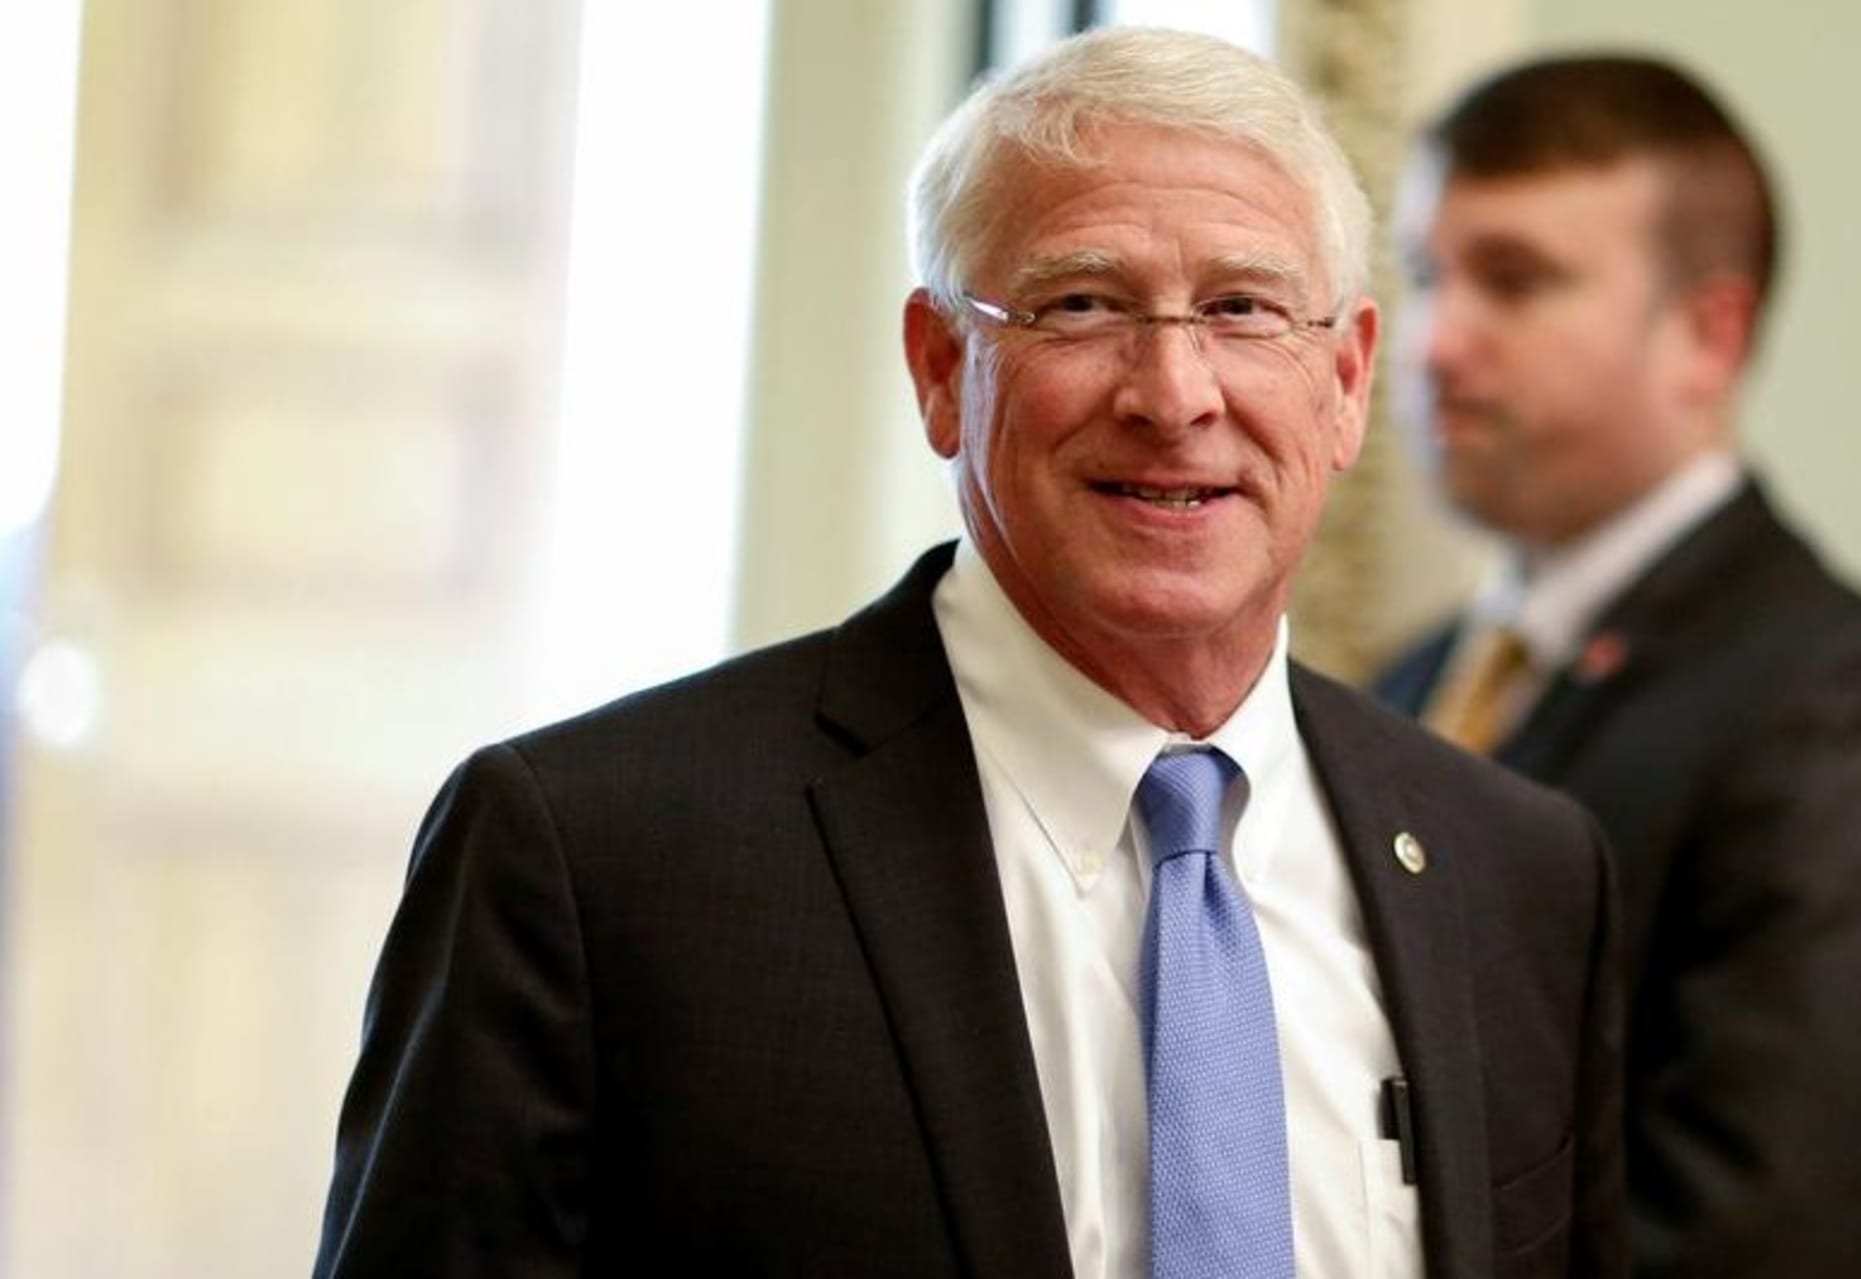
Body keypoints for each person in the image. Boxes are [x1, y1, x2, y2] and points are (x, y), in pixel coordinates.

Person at [315, 28, 1624, 1278]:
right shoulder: (596, 859)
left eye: (1240, 307)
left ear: (1345, 381)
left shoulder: (1520, 875)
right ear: (941, 367)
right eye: (1082, 303)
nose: (1173, 395)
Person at [1377, 53, 1861, 1279]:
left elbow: (1777, 1231)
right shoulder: (1405, 685)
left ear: (1706, 336)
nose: (1434, 344)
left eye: (1514, 281)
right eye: (1424, 275)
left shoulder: (1838, 708)